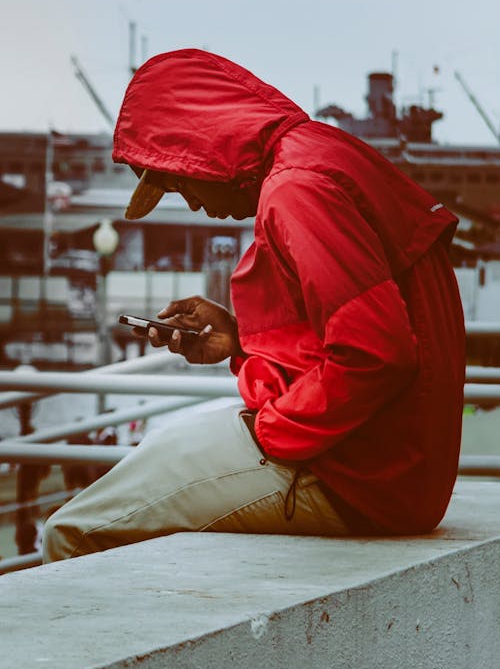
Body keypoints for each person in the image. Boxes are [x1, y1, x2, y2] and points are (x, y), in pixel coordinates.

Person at [42, 49, 465, 563]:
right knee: (156, 454)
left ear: (200, 146)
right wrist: (239, 339)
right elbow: (370, 323)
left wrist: (270, 429)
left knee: (71, 531)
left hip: (355, 475)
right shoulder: (320, 153)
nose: (191, 201)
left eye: (177, 181)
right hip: (396, 467)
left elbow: (377, 353)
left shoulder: (295, 189)